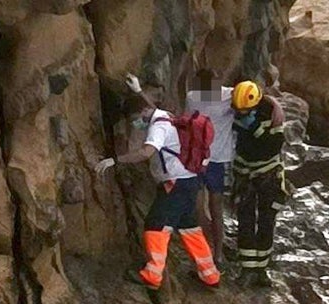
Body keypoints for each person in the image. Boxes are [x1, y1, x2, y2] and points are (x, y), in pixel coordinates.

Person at [95, 96, 221, 291]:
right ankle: (210, 275)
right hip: (190, 181)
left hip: (175, 184)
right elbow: (149, 108)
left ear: (144, 111)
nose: (135, 124)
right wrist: (137, 91)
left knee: (155, 225)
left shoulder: (158, 127)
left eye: (135, 118)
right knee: (189, 227)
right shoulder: (166, 116)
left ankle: (152, 275)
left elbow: (146, 152)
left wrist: (115, 160)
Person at [231, 80, 286, 287]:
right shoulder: (238, 105)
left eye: (245, 111)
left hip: (267, 175)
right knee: (245, 220)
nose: (241, 114)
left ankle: (261, 269)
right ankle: (247, 269)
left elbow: (272, 147)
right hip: (244, 174)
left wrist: (255, 128)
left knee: (266, 220)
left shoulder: (271, 116)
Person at [185, 69, 235, 271]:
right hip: (198, 158)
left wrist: (276, 106)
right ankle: (205, 252)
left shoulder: (230, 95)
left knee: (216, 207)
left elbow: (257, 95)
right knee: (198, 209)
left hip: (220, 159)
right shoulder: (192, 97)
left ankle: (218, 254)